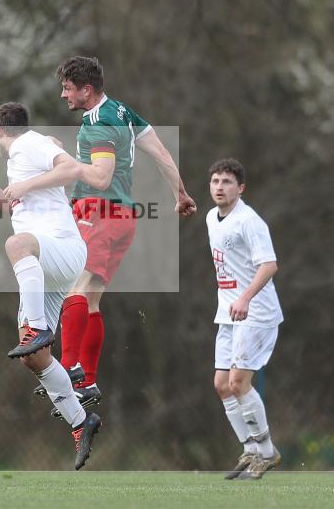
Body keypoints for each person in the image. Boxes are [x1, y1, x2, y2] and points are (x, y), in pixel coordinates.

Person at [52, 56, 196, 411]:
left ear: (87, 89)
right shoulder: (121, 112)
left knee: (77, 291)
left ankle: (69, 371)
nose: (63, 95)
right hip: (123, 217)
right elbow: (160, 151)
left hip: (98, 213)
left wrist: (63, 162)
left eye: (68, 88)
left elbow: (101, 175)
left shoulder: (98, 124)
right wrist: (180, 191)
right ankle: (88, 381)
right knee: (93, 299)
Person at [0, 102, 101, 470]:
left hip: (61, 249)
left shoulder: (28, 144)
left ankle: (38, 328)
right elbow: (22, 213)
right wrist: (0, 194)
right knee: (34, 358)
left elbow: (71, 167)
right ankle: (82, 422)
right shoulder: (19, 159)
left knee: (15, 246)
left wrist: (24, 183)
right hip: (48, 261)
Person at [206, 158, 282, 480]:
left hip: (256, 312)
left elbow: (269, 265)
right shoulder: (212, 217)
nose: (219, 187)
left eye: (226, 182)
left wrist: (245, 298)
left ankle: (267, 452)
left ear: (241, 188)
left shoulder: (250, 221)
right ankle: (250, 450)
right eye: (215, 181)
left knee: (239, 382)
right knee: (222, 386)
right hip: (228, 313)